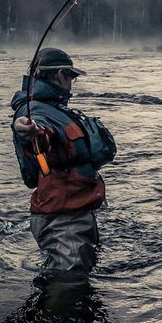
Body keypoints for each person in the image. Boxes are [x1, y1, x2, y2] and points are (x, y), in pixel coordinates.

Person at [11, 47, 116, 272]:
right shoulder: (37, 112)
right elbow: (40, 132)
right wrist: (29, 132)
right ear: (60, 74)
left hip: (72, 215)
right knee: (66, 292)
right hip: (62, 222)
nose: (71, 83)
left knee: (75, 288)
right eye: (71, 77)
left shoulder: (53, 108)